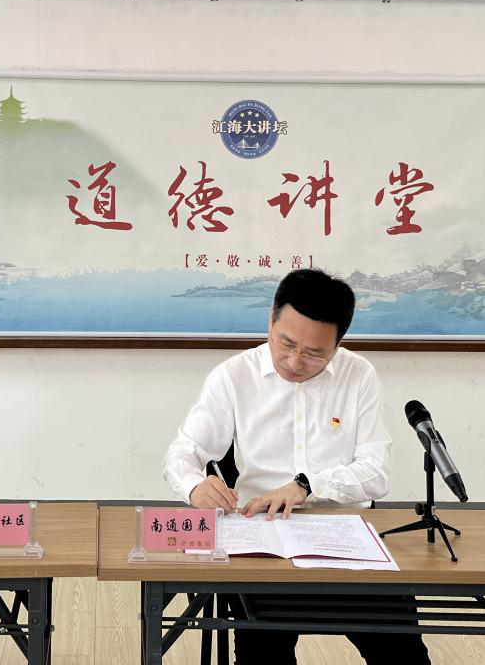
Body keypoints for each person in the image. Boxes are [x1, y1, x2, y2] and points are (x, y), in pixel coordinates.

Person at [163, 268, 431, 665]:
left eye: (314, 353)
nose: (294, 361)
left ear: (338, 344)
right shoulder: (234, 376)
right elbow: (182, 453)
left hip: (347, 541)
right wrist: (194, 486)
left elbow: (376, 472)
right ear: (270, 321)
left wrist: (307, 485)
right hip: (263, 541)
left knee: (404, 658)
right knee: (262, 658)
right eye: (286, 343)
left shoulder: (359, 376)